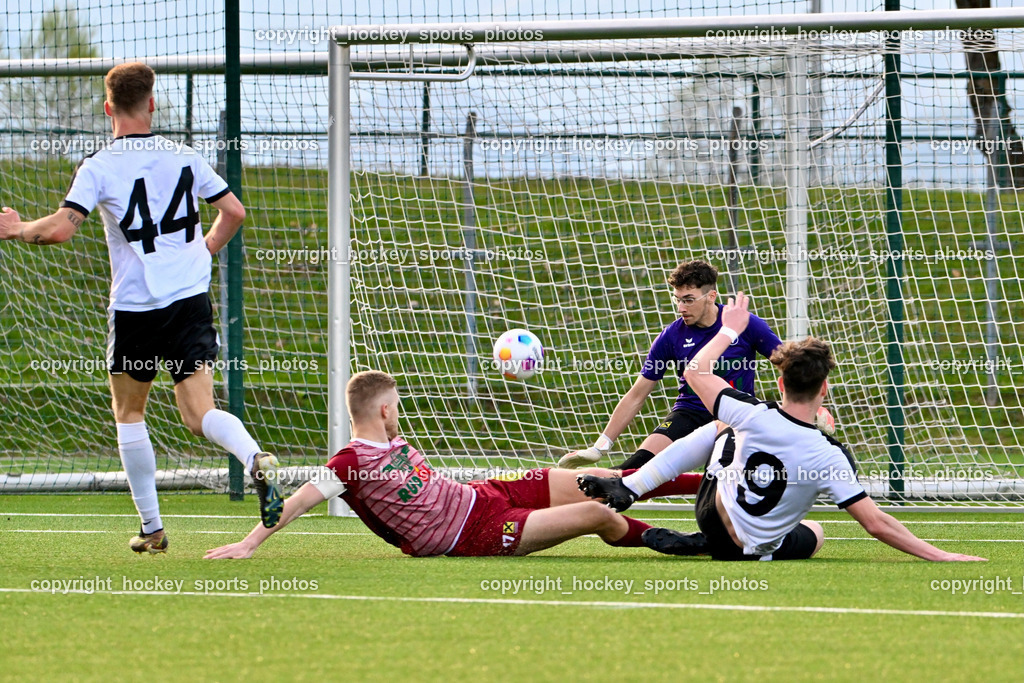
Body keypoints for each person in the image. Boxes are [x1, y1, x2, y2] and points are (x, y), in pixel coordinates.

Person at [0, 62, 283, 554]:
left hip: (137, 309)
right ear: (151, 103)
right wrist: (203, 251)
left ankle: (152, 529)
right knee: (200, 413)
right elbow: (234, 212)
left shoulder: (99, 165)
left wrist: (19, 228)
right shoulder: (184, 156)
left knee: (130, 412)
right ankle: (254, 456)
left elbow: (61, 229)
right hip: (189, 301)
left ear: (107, 108)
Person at [578, 293, 986, 562]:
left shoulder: (749, 413)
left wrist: (729, 329)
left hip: (712, 515)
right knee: (816, 531)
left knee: (723, 424)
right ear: (824, 388)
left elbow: (696, 371)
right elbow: (876, 523)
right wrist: (942, 555)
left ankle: (632, 486)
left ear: (779, 383)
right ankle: (742, 543)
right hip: (751, 548)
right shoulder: (831, 454)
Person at [204, 370, 703, 560]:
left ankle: (714, 481)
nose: (398, 413)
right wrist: (249, 543)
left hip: (488, 494)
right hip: (473, 535)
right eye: (397, 406)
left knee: (604, 480)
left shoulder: (393, 441)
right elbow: (295, 503)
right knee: (598, 512)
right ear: (384, 410)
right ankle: (685, 541)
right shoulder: (349, 462)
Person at [560, 260, 787, 470]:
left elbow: (789, 365)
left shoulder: (744, 324)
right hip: (689, 413)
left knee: (726, 475)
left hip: (734, 414)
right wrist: (600, 447)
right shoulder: (671, 336)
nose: (681, 307)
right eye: (677, 299)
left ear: (711, 296)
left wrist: (801, 410)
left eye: (688, 299)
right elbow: (637, 395)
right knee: (633, 468)